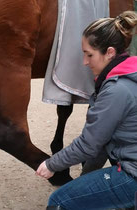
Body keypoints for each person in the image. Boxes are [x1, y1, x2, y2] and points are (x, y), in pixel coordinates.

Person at [36, 11, 137, 210]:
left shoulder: (116, 90)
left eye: (89, 54)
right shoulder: (130, 75)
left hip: (132, 175)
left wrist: (52, 164)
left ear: (109, 53)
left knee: (59, 201)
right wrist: (83, 182)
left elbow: (89, 145)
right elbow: (100, 143)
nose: (85, 62)